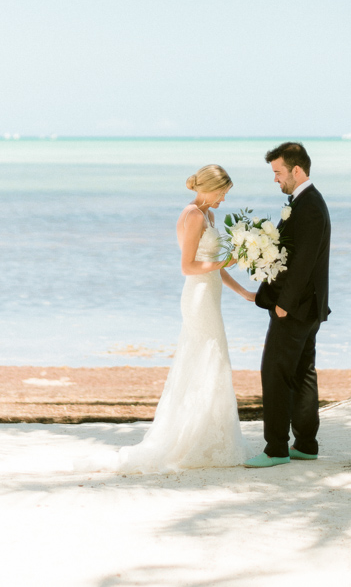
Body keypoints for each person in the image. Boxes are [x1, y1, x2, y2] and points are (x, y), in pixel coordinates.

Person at [117, 164, 254, 472]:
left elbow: (215, 266)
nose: (223, 200)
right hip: (198, 297)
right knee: (209, 357)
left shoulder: (209, 215)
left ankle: (209, 435)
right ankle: (194, 439)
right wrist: (225, 260)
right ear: (208, 187)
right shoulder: (192, 215)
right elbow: (188, 266)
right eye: (222, 193)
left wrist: (244, 292)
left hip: (212, 295)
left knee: (212, 361)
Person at [244, 142, 331, 468]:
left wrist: (282, 304)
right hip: (308, 308)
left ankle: (276, 449)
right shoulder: (307, 201)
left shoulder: (308, 206)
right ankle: (306, 444)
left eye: (278, 172)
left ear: (297, 170)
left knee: (275, 374)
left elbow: (304, 262)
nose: (276, 179)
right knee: (302, 373)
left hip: (295, 309)